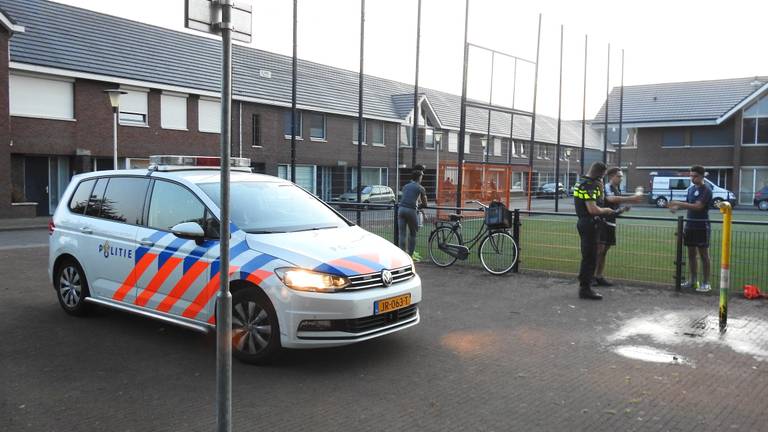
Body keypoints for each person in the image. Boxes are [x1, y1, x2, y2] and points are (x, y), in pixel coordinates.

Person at [573, 162, 622, 300]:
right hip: (590, 223)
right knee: (590, 257)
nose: (603, 179)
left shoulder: (581, 182)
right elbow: (593, 209)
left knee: (588, 255)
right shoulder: (590, 185)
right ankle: (585, 289)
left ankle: (584, 283)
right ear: (600, 173)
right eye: (603, 175)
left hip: (583, 222)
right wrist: (606, 210)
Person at [594, 168, 645, 286]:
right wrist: (632, 198)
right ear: (612, 176)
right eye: (619, 176)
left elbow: (615, 209)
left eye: (621, 176)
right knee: (599, 251)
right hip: (603, 223)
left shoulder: (617, 190)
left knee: (604, 252)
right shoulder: (607, 187)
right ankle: (591, 277)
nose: (621, 178)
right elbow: (610, 199)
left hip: (611, 223)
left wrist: (623, 209)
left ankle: (599, 276)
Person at [668, 165, 713, 292]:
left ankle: (706, 283)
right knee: (691, 254)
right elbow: (689, 205)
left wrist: (677, 202)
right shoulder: (691, 189)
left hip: (701, 225)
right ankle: (693, 281)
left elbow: (698, 207)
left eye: (695, 176)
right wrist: (676, 208)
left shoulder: (706, 190)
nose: (692, 178)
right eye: (691, 175)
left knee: (704, 255)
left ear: (702, 176)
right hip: (690, 225)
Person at [398, 170, 428, 262]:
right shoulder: (420, 188)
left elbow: (404, 197)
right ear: (419, 177)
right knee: (413, 234)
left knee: (402, 234)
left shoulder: (405, 186)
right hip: (411, 210)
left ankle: (402, 256)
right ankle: (410, 257)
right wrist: (420, 206)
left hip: (401, 209)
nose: (422, 178)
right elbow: (425, 203)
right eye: (422, 176)